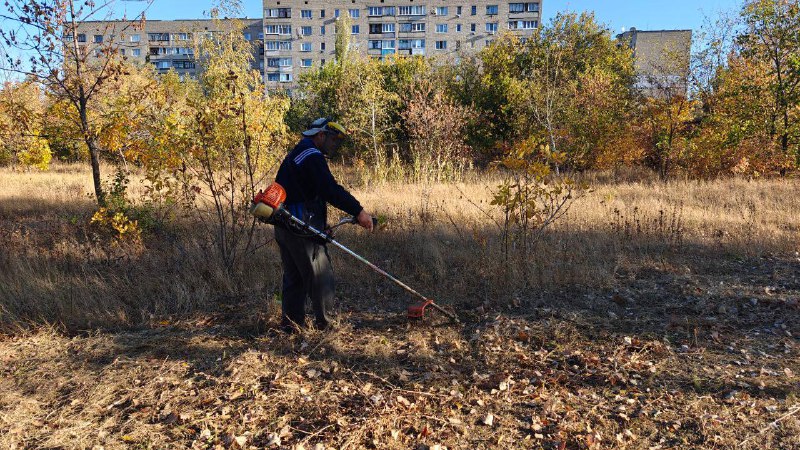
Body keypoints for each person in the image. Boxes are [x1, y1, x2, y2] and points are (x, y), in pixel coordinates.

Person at [273, 118, 374, 332]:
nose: (334, 145)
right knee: (320, 275)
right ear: (320, 135)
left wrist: (321, 224)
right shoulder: (312, 155)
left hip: (284, 223)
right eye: (333, 140)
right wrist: (359, 211)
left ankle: (291, 326)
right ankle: (326, 325)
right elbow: (329, 189)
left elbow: (306, 192)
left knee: (295, 277)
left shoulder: (296, 153)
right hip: (299, 226)